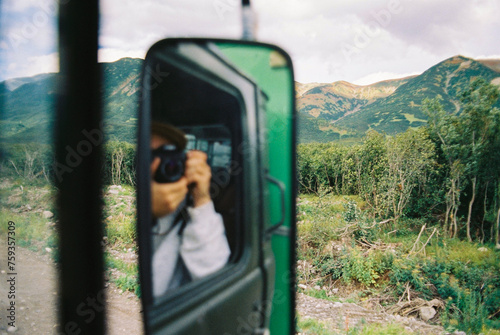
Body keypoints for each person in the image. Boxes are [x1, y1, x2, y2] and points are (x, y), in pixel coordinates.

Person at [150, 122, 230, 297]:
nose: (164, 166)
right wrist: (147, 210)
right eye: (151, 156)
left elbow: (214, 276)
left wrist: (201, 199)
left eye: (170, 158)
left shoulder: (183, 202)